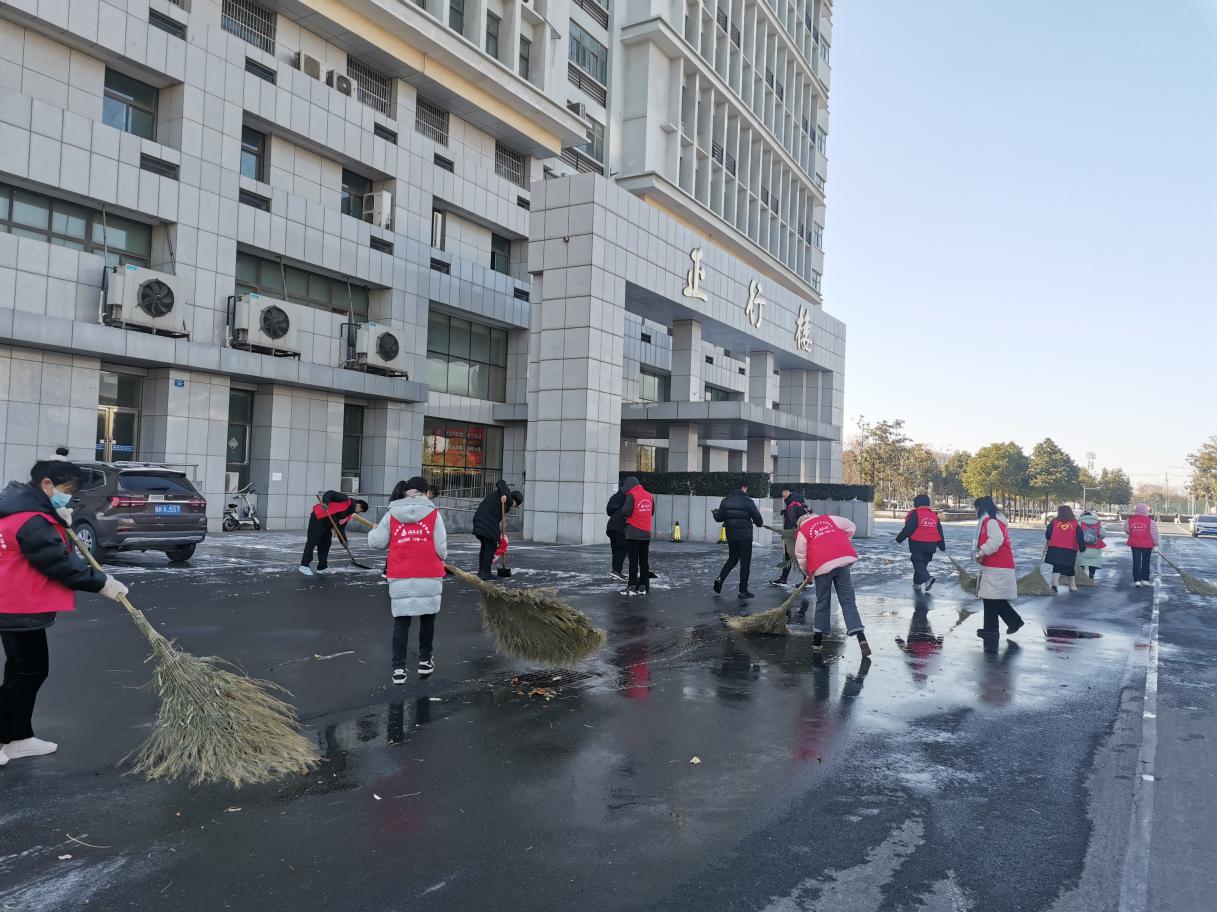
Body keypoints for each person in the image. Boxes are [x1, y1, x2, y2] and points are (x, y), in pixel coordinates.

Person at [0, 453, 130, 765]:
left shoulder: (20, 509)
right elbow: (59, 564)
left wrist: (57, 521)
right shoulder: (32, 520)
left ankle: (18, 738)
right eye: (67, 491)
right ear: (47, 484)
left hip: (16, 603)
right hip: (16, 605)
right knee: (29, 672)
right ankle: (7, 735)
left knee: (21, 670)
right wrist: (102, 583)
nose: (68, 498)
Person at [367, 477, 447, 684]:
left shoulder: (391, 514)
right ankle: (425, 660)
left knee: (401, 622)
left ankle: (398, 669)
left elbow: (377, 542)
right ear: (424, 492)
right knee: (427, 618)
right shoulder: (433, 514)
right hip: (428, 572)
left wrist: (375, 530)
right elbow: (441, 548)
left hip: (400, 572)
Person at [793, 508, 871, 656]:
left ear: (800, 523)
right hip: (842, 561)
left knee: (822, 602)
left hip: (821, 567)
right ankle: (862, 639)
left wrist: (807, 573)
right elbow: (851, 526)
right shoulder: (830, 519)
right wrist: (842, 541)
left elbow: (800, 555)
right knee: (848, 601)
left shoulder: (803, 531)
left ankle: (817, 642)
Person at [972, 496, 1023, 641]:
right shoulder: (995, 520)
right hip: (997, 564)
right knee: (990, 598)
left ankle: (1009, 623)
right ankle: (992, 628)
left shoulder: (991, 521)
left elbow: (996, 540)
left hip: (997, 565)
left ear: (980, 508)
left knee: (992, 598)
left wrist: (981, 552)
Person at [712, 476, 764, 598]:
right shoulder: (748, 501)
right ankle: (743, 591)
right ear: (743, 487)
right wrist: (755, 522)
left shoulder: (725, 501)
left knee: (732, 559)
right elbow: (759, 521)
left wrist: (715, 513)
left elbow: (719, 518)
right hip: (745, 537)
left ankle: (720, 579)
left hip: (732, 536)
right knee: (745, 564)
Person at [299, 491, 368, 576]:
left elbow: (340, 528)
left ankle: (322, 567)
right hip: (319, 517)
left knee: (326, 543)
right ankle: (304, 565)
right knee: (313, 541)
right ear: (358, 505)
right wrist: (325, 502)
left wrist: (344, 542)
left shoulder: (348, 514)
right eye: (360, 510)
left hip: (328, 524)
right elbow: (330, 493)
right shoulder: (344, 499)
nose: (358, 512)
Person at [894, 494, 946, 592]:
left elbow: (908, 529)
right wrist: (942, 546)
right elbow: (939, 532)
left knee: (917, 562)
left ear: (917, 503)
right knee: (922, 565)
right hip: (931, 545)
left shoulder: (916, 514)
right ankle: (917, 583)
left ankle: (927, 579)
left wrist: (899, 539)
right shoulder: (934, 516)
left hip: (918, 543)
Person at [473, 480, 523, 580]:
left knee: (486, 546)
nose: (514, 506)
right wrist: (504, 494)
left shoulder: (505, 503)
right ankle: (485, 573)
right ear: (514, 500)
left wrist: (501, 527)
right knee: (490, 546)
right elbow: (501, 482)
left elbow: (497, 516)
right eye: (515, 504)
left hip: (481, 519)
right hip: (485, 521)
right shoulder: (506, 493)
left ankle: (482, 571)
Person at [619, 476, 654, 596]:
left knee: (633, 562)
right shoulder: (649, 495)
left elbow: (626, 512)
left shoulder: (631, 496)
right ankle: (643, 586)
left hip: (633, 533)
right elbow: (652, 512)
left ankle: (632, 586)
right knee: (644, 561)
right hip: (646, 534)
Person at [1044, 505, 1087, 593]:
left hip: (1055, 548)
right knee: (1070, 566)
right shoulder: (1075, 523)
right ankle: (1072, 586)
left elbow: (1048, 534)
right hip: (1069, 549)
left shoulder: (1054, 522)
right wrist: (1082, 548)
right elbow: (1080, 537)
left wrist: (1049, 538)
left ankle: (1054, 585)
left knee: (1057, 566)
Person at [770, 485, 807, 587]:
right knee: (789, 556)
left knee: (794, 556)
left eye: (785, 491)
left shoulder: (792, 502)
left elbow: (793, 519)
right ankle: (784, 579)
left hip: (792, 534)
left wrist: (786, 532)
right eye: (783, 492)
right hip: (796, 533)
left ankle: (807, 579)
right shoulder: (794, 501)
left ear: (790, 492)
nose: (783, 494)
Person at [1125, 503, 1159, 588]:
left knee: (1136, 562)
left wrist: (1134, 533)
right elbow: (1154, 534)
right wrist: (1155, 544)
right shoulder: (1150, 521)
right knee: (1146, 562)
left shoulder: (1130, 520)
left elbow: (1127, 530)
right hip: (1147, 545)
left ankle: (1137, 580)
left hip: (1135, 544)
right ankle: (1145, 579)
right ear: (1146, 511)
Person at [605, 482, 628, 582]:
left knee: (615, 550)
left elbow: (609, 511)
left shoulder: (614, 496)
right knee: (622, 549)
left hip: (611, 527)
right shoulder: (627, 497)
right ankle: (616, 572)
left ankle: (615, 571)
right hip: (619, 527)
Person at [1076, 509, 1106, 580]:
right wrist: (1097, 539)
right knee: (1093, 562)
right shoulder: (1097, 523)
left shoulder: (1079, 523)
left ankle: (1081, 577)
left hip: (1082, 547)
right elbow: (1103, 534)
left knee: (1081, 561)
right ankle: (1091, 576)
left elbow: (1074, 534)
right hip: (1095, 547)